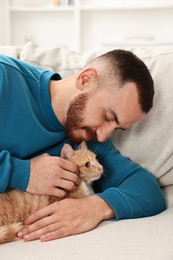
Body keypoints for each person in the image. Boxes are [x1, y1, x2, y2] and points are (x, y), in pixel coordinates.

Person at [0, 50, 166, 242]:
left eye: (117, 128)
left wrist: (95, 207)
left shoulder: (87, 142)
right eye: (108, 116)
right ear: (85, 79)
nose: (103, 135)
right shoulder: (5, 78)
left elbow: (148, 190)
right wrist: (22, 172)